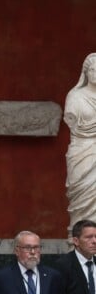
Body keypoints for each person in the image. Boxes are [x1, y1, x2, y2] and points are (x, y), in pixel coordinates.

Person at [64, 53, 96, 231]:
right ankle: (78, 237)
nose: (95, 73)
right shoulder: (75, 96)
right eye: (92, 70)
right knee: (81, 197)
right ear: (86, 73)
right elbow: (73, 123)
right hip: (81, 151)